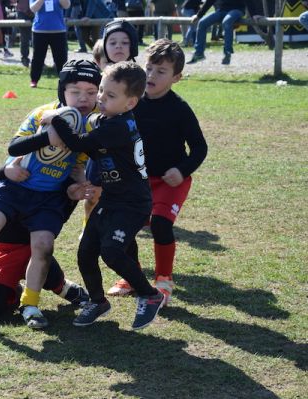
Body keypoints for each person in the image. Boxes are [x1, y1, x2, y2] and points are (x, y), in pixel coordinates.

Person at [0, 60, 102, 329]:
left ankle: (30, 304)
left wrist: (78, 185)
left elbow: (79, 165)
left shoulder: (94, 125)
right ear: (62, 91)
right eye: (76, 91)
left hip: (48, 198)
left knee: (42, 245)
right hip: (16, 186)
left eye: (90, 91)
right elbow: (15, 147)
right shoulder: (43, 113)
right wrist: (18, 161)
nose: (83, 98)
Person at [44, 61, 166, 330]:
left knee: (111, 251)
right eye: (101, 90)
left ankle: (150, 294)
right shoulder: (105, 118)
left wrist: (58, 119)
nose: (100, 98)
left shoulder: (119, 126)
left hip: (132, 204)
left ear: (130, 103)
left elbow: (79, 143)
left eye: (110, 96)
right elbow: (89, 136)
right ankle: (98, 302)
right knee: (86, 251)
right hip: (111, 199)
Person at [107, 39, 208, 304]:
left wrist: (182, 169)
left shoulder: (180, 109)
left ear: (176, 77)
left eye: (161, 71)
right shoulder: (131, 102)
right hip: (136, 180)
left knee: (161, 225)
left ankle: (164, 280)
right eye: (149, 67)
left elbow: (199, 147)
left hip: (170, 181)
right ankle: (132, 275)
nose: (151, 75)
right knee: (125, 227)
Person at [0, 161, 92, 321]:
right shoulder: (21, 167)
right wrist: (5, 170)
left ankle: (61, 286)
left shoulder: (58, 179)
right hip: (5, 252)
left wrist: (75, 191)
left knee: (42, 252)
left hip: (35, 253)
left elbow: (59, 217)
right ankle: (13, 289)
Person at [80, 20, 138, 233]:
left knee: (121, 195)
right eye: (113, 42)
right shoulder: (96, 76)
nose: (119, 46)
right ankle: (88, 229)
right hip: (99, 146)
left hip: (125, 150)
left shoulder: (137, 76)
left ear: (133, 46)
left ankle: (120, 234)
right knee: (93, 193)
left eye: (124, 42)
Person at [187, 0, 262, 65]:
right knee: (202, 23)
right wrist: (199, 15)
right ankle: (199, 53)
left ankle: (227, 53)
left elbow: (249, 1)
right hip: (221, 10)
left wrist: (254, 14)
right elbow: (209, 1)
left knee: (227, 22)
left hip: (237, 10)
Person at [28, 0, 70, 88]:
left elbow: (67, 5)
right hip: (39, 30)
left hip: (58, 30)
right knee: (38, 58)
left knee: (61, 58)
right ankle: (34, 80)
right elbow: (33, 8)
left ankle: (65, 81)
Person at [15, 0, 34, 66]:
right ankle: (24, 58)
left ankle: (38, 58)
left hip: (35, 11)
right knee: (24, 37)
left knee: (38, 36)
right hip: (22, 12)